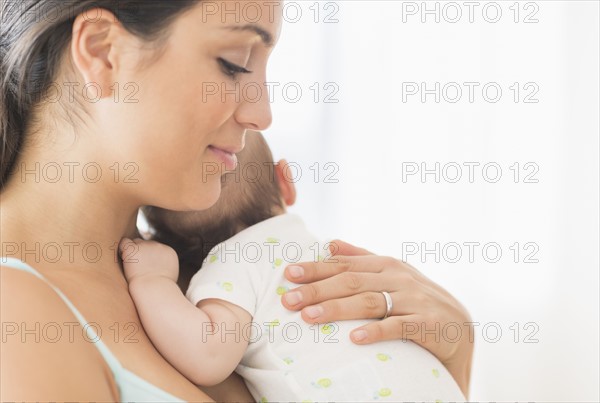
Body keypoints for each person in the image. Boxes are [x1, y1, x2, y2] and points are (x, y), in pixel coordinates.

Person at [0, 1, 473, 401]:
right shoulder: (15, 311)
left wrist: (450, 360)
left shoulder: (208, 280)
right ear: (102, 53)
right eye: (234, 63)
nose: (262, 114)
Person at [122, 131, 467, 402]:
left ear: (168, 241)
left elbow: (209, 354)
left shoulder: (230, 264)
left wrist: (153, 280)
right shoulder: (325, 255)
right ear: (285, 181)